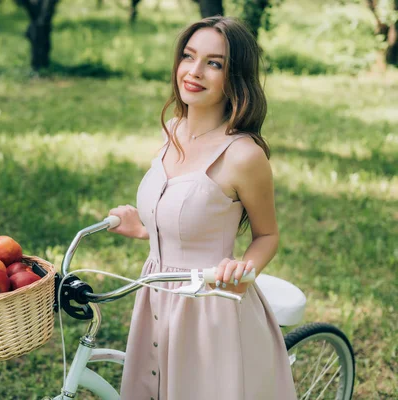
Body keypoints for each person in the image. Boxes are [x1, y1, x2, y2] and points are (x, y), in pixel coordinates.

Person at [108, 16, 298, 400]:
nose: (194, 71)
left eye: (214, 63)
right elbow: (187, 211)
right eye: (189, 56)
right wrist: (146, 227)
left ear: (236, 76)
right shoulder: (174, 129)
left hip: (210, 306)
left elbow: (267, 235)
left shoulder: (244, 156)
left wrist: (243, 269)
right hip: (155, 293)